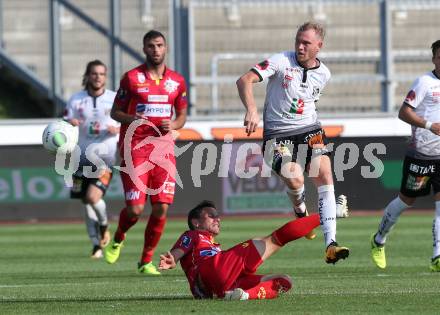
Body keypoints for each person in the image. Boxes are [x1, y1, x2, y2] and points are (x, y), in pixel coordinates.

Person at [236, 21, 349, 264]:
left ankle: (331, 244)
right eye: (298, 41)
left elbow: (308, 101)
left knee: (325, 174)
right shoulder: (280, 61)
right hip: (276, 134)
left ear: (319, 46)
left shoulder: (324, 74)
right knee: (295, 177)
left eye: (306, 43)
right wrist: (252, 110)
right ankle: (300, 211)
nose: (300, 46)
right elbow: (244, 80)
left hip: (309, 130)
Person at [104, 30, 187, 275]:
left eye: (159, 45)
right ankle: (118, 237)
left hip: (163, 150)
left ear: (166, 48)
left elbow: (182, 115)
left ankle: (145, 261)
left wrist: (173, 125)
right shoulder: (131, 78)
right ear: (144, 49)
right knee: (136, 210)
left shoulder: (177, 81)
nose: (156, 50)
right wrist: (133, 119)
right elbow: (114, 112)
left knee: (161, 207)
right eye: (151, 46)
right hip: (135, 149)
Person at [159, 200, 349, 300]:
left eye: (218, 215)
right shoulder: (193, 234)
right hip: (212, 269)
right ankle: (331, 213)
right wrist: (173, 259)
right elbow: (179, 249)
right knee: (276, 239)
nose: (218, 219)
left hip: (219, 287)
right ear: (196, 222)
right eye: (212, 215)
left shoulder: (212, 245)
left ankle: (243, 296)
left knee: (284, 282)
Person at [371, 40, 440, 271]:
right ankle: (379, 239)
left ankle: (437, 256)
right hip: (421, 154)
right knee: (405, 201)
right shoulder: (425, 83)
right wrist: (430, 125)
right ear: (434, 59)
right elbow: (404, 112)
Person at [63, 60, 119, 259]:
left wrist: (118, 129)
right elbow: (64, 122)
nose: (98, 77)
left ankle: (104, 224)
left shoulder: (114, 98)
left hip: (104, 159)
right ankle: (96, 245)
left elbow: (130, 122)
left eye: (102, 74)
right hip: (80, 159)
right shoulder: (76, 100)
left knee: (92, 197)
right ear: (87, 76)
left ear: (105, 77)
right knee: (86, 204)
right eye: (94, 74)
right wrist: (70, 122)